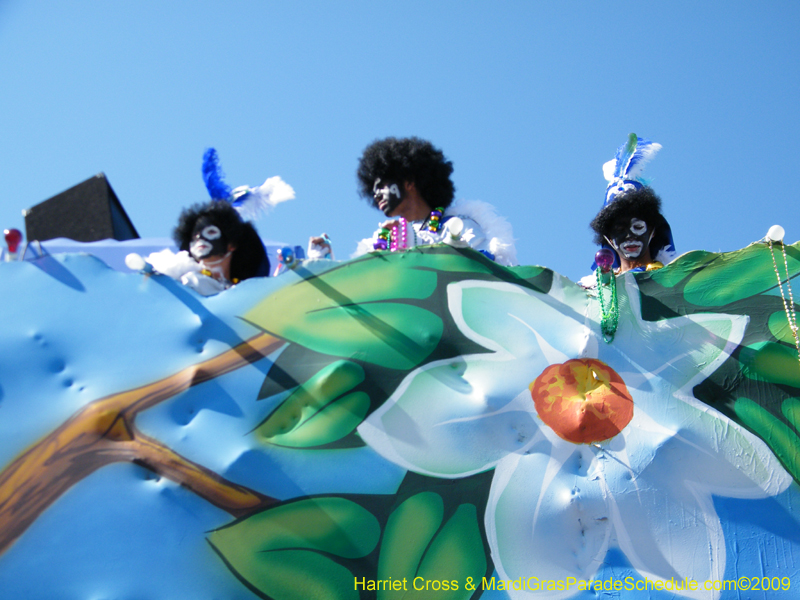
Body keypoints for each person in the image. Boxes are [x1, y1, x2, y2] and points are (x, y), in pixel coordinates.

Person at [309, 137, 516, 266]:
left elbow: (489, 270)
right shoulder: (383, 240)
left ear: (409, 182)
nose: (376, 195)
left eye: (382, 186)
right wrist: (323, 262)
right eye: (372, 191)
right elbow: (361, 291)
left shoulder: (459, 225)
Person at [143, 148, 294, 295]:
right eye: (194, 236)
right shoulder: (184, 283)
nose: (199, 239)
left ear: (231, 245)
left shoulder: (243, 294)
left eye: (210, 232)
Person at [584, 134, 676, 282]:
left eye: (638, 226)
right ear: (609, 239)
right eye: (620, 230)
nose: (629, 236)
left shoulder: (676, 279)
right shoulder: (594, 290)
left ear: (652, 231)